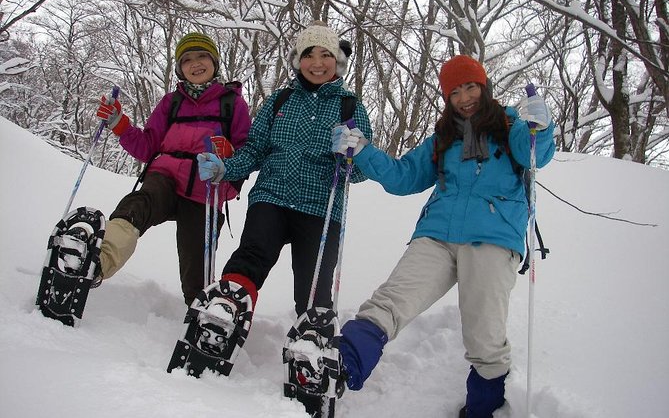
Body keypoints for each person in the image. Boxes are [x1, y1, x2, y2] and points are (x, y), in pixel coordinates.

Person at [330, 55, 555, 418]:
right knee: (391, 300)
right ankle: (339, 366)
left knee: (484, 336)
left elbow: (535, 156)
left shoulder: (511, 124)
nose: (464, 97)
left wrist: (540, 127)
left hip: (493, 238)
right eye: (454, 92)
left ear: (483, 86)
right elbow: (404, 177)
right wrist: (364, 151)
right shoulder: (444, 137)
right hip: (437, 234)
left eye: (470, 87)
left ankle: (483, 410)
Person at [196, 21, 373, 319]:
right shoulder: (280, 100)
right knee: (252, 254)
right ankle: (226, 309)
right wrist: (225, 168)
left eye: (325, 55)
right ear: (297, 60)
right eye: (308, 55)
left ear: (337, 61)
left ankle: (313, 334)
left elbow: (358, 173)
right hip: (272, 197)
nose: (317, 63)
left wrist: (355, 154)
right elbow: (255, 150)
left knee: (313, 286)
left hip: (320, 207)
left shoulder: (350, 107)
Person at [94, 32, 252, 305]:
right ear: (180, 68)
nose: (195, 63)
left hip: (205, 189)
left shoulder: (232, 103)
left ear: (214, 61)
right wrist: (120, 124)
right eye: (187, 59)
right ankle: (98, 261)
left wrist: (229, 171)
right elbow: (147, 147)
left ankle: (200, 311)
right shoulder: (171, 102)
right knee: (137, 205)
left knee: (195, 267)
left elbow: (247, 151)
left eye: (202, 56)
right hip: (164, 177)